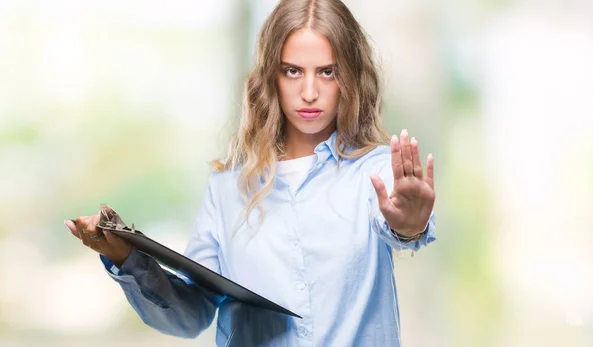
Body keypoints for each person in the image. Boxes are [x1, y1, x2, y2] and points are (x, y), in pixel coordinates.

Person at [65, 0, 437, 345]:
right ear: (271, 77)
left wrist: (409, 224)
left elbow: (401, 226)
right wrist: (126, 259)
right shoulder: (228, 187)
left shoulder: (377, 171)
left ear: (350, 78)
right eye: (293, 71)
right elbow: (189, 317)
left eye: (327, 72)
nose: (309, 92)